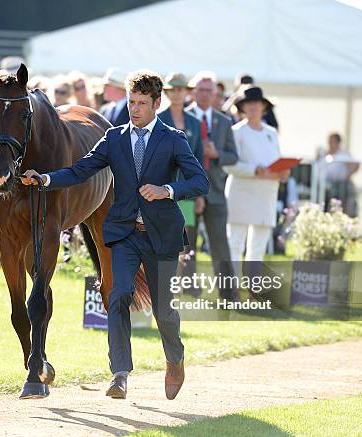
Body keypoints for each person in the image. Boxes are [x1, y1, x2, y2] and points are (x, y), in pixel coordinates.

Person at [21, 70, 209, 400]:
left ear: (157, 103)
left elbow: (200, 182)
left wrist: (167, 190)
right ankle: (120, 374)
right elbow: (81, 170)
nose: (134, 109)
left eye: (141, 103)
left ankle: (175, 360)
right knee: (118, 294)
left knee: (164, 310)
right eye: (131, 102)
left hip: (161, 235)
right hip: (124, 234)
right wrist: (45, 179)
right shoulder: (114, 138)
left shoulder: (174, 139)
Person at [186, 71, 239, 299]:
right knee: (186, 243)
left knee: (220, 244)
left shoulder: (224, 122)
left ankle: (228, 294)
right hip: (187, 193)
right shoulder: (182, 118)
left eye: (209, 90)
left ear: (216, 93)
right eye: (201, 90)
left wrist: (217, 154)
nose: (205, 94)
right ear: (193, 92)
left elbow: (233, 156)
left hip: (216, 192)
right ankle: (188, 289)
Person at [224, 85, 288, 262]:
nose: (253, 107)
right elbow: (229, 165)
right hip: (242, 192)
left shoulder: (271, 133)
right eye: (249, 103)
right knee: (235, 243)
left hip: (266, 194)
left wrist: (283, 172)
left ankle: (253, 286)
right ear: (242, 107)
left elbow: (276, 160)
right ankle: (231, 286)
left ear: (264, 107)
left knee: (258, 246)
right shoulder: (236, 132)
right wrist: (254, 170)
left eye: (257, 103)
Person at [158, 72, 204, 293]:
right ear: (166, 92)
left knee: (183, 240)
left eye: (180, 89)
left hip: (186, 191)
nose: (177, 93)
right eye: (172, 89)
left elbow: (199, 160)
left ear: (187, 92)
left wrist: (200, 195)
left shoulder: (195, 122)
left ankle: (175, 285)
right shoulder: (157, 119)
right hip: (161, 189)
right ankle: (162, 285)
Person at [324, 133, 359, 217]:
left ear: (337, 142)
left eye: (332, 141)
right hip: (326, 186)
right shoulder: (325, 153)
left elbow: (356, 165)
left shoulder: (343, 154)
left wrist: (348, 175)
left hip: (341, 185)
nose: (330, 144)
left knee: (340, 207)